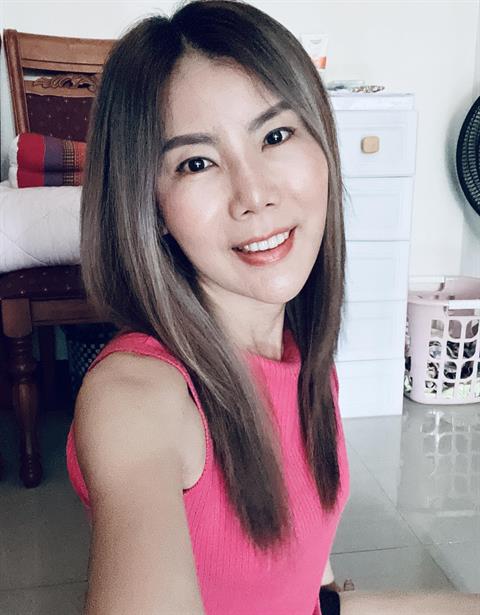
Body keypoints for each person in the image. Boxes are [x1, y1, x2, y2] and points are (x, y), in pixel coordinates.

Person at [65, 1, 479, 614]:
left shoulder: (304, 360)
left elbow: (308, 595)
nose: (254, 194)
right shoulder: (136, 397)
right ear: (149, 206)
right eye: (197, 162)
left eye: (275, 135)